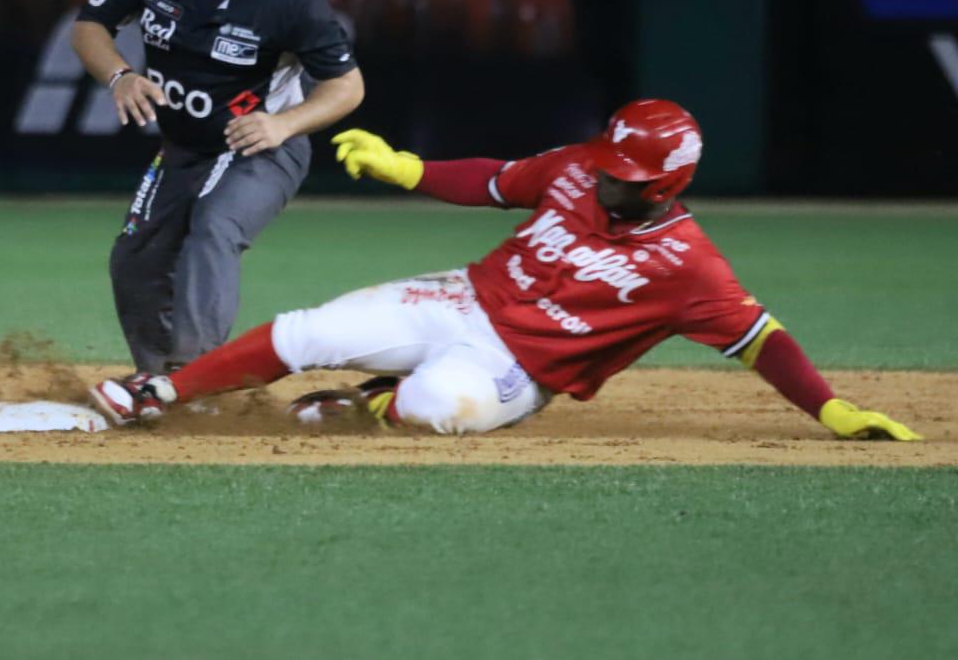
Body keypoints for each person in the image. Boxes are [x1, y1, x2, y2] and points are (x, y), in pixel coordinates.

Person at [88, 100, 922, 443]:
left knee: (428, 406)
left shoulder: (689, 267)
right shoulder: (572, 167)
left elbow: (758, 338)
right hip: (459, 296)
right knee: (310, 331)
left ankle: (373, 402)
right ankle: (159, 390)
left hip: (516, 367)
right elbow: (493, 179)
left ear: (664, 184)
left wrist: (832, 408)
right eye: (603, 161)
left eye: (620, 173)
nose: (600, 175)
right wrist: (407, 168)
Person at [71, 0, 365, 374]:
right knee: (134, 259)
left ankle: (196, 375)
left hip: (259, 147)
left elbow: (348, 86)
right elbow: (89, 26)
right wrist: (121, 77)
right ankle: (159, 380)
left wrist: (285, 123)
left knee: (214, 227)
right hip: (184, 146)